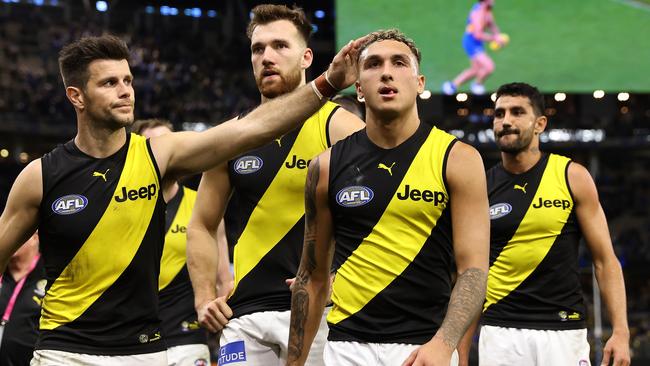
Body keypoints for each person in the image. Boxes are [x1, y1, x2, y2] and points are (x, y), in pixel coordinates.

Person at [0, 33, 364, 365]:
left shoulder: (159, 156)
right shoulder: (40, 177)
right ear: (76, 96)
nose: (126, 91)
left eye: (128, 80)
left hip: (146, 352)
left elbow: (251, 129)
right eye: (109, 83)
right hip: (63, 353)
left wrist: (327, 83)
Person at [286, 29, 490, 366]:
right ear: (359, 88)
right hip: (346, 349)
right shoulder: (324, 166)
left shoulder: (458, 158)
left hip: (425, 349)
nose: (386, 72)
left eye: (399, 63)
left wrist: (444, 343)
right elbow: (312, 277)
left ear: (420, 82)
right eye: (373, 65)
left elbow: (473, 271)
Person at [186, 5, 365, 366]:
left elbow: (380, 215)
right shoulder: (233, 136)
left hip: (322, 313)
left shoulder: (339, 126)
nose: (267, 57)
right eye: (258, 49)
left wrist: (339, 276)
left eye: (280, 46)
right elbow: (202, 224)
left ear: (306, 57)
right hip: (245, 314)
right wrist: (205, 297)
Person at [463, 82, 630, 366]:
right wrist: (461, 350)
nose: (506, 121)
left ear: (540, 123)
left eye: (517, 112)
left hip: (564, 331)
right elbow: (471, 273)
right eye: (499, 114)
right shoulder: (480, 187)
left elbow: (605, 260)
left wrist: (622, 332)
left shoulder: (572, 177)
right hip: (501, 333)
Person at [132, 119, 224, 366]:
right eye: (156, 144)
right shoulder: (120, 206)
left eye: (172, 143)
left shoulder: (202, 204)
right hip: (130, 342)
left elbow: (223, 279)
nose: (168, 152)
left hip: (186, 339)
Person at [442, 0, 505, 95]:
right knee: (489, 67)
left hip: (477, 43)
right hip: (471, 42)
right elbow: (478, 35)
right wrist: (494, 38)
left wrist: (498, 35)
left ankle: (452, 85)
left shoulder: (487, 9)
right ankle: (477, 85)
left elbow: (491, 24)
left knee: (475, 70)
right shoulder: (478, 13)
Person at [0, 232, 44, 366]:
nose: (11, 240)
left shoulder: (50, 273)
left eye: (17, 235)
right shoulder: (2, 270)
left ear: (35, 238)